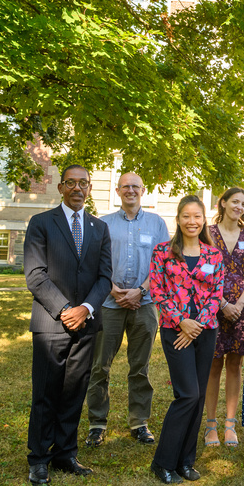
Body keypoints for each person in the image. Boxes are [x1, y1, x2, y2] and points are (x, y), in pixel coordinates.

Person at [24, 165, 112, 486]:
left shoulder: (99, 228)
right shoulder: (41, 224)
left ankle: (65, 453)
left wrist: (86, 309)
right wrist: (65, 310)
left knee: (74, 392)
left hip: (86, 325)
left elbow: (105, 278)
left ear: (89, 188)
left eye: (84, 183)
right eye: (71, 183)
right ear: (60, 187)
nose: (78, 188)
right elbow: (35, 275)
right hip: (50, 323)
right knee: (46, 393)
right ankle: (39, 458)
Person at [85, 172, 169, 448]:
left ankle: (139, 422)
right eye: (125, 187)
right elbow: (94, 262)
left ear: (143, 190)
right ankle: (97, 423)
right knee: (99, 366)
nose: (130, 190)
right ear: (117, 190)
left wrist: (140, 291)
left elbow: (162, 265)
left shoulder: (157, 224)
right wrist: (112, 289)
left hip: (144, 305)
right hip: (109, 304)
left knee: (140, 367)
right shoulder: (103, 224)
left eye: (135, 186)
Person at [148, 195, 224, 484]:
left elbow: (217, 294)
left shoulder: (213, 255)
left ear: (204, 220)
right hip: (174, 330)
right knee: (187, 394)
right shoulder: (162, 252)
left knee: (199, 395)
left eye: (197, 216)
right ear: (178, 219)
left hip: (205, 331)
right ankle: (163, 462)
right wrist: (182, 322)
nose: (192, 221)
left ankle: (186, 461)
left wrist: (198, 324)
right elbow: (157, 291)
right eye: (186, 216)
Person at [204, 187, 244, 448]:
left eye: (243, 204)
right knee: (214, 364)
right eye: (235, 202)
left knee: (235, 365)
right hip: (213, 306)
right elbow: (201, 270)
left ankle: (230, 424)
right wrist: (222, 303)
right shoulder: (208, 234)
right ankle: (211, 425)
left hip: (241, 309)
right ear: (223, 203)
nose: (239, 207)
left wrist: (239, 303)